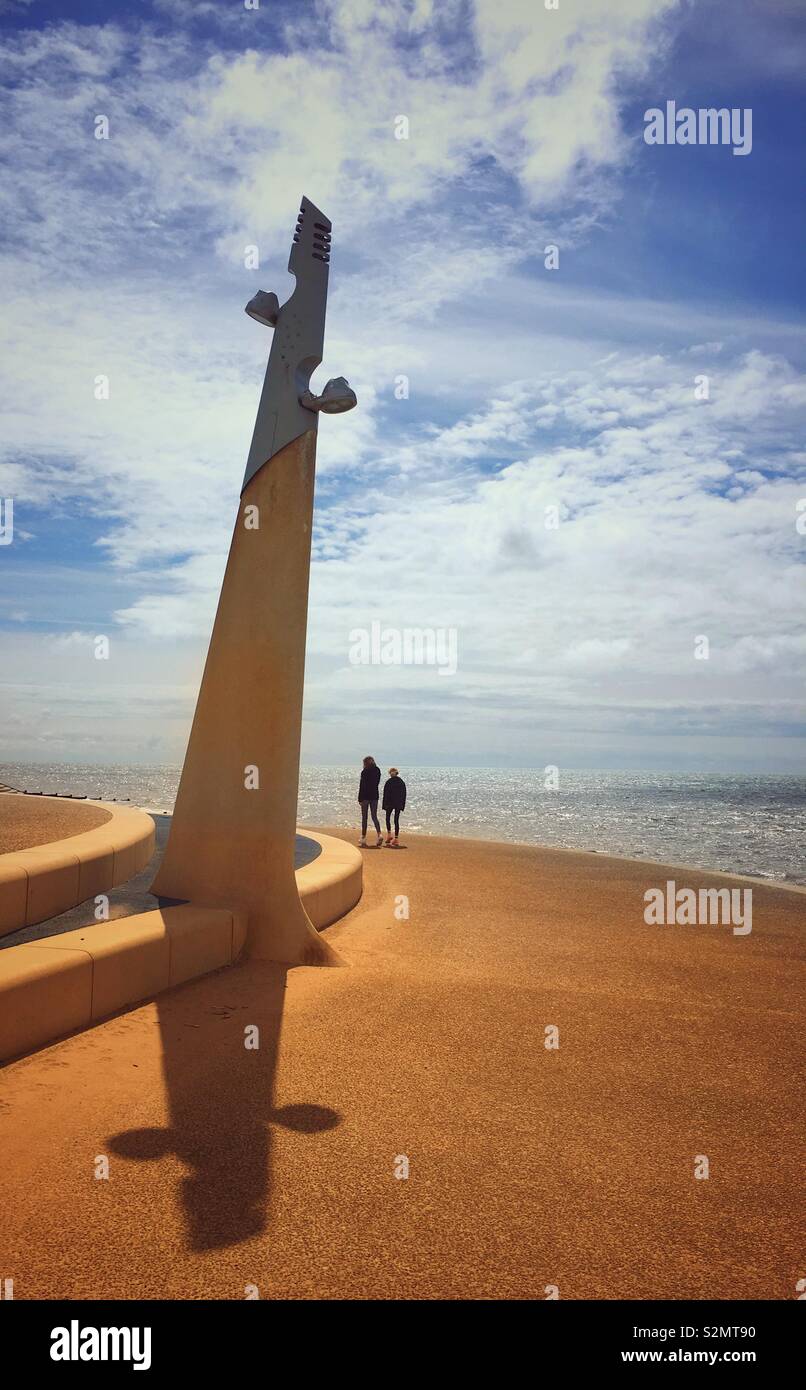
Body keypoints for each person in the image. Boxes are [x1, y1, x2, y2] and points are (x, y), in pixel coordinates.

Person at [357, 755, 382, 846]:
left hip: (365, 797)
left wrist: (360, 798)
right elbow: (377, 783)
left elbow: (362, 786)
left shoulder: (364, 772)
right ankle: (379, 834)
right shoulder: (377, 770)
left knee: (365, 818)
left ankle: (363, 837)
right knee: (374, 816)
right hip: (374, 796)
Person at [382, 767, 406, 845]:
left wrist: (384, 805)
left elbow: (385, 794)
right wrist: (402, 805)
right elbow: (404, 794)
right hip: (398, 803)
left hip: (390, 803)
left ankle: (390, 835)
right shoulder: (401, 782)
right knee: (396, 820)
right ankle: (396, 838)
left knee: (388, 818)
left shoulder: (389, 782)